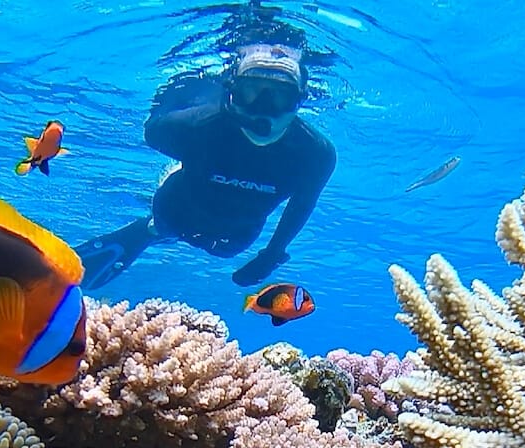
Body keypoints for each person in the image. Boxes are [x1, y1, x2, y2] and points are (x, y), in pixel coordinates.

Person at [76, 41, 337, 289]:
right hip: (173, 212)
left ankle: (155, 232)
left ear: (300, 100)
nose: (263, 107)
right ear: (232, 91)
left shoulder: (315, 154)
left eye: (280, 96)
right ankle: (152, 230)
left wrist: (273, 254)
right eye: (251, 91)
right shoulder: (193, 125)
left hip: (235, 238)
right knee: (165, 227)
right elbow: (154, 131)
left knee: (223, 250)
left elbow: (302, 204)